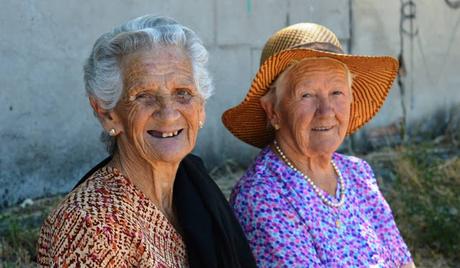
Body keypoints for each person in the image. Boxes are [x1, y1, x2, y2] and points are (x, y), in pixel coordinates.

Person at [37, 15, 256, 268]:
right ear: (108, 114)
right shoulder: (90, 225)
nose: (169, 113)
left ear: (201, 108)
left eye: (183, 93)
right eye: (144, 96)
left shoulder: (191, 190)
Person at [222, 23, 415, 267]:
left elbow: (403, 262)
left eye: (336, 93)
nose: (326, 112)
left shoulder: (357, 173)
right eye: (307, 95)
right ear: (273, 111)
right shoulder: (262, 195)